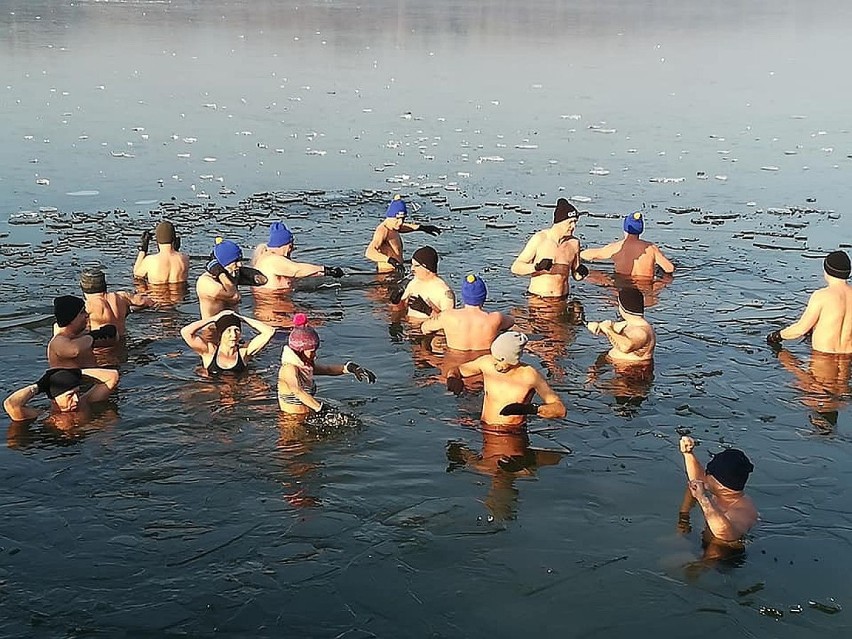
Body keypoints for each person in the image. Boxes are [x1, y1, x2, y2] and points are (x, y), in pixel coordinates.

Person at [446, 331, 566, 427]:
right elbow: (457, 370)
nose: (495, 364)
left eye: (501, 360)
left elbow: (560, 409)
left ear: (513, 360)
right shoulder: (486, 362)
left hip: (511, 433)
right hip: (485, 427)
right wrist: (452, 378)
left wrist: (530, 409)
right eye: (495, 358)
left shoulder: (530, 376)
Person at [278, 313, 376, 415]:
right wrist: (320, 408)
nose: (315, 355)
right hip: (291, 422)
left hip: (308, 417)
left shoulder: (305, 367)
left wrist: (350, 368)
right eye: (312, 352)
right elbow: (297, 391)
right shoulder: (288, 368)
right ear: (301, 350)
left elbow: (328, 369)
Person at [767, 250, 852, 354]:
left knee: (785, 359)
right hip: (847, 358)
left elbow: (800, 329)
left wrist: (776, 336)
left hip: (822, 357)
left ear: (826, 270)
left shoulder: (822, 296)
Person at [678, 436, 757, 542]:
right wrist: (688, 454)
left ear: (719, 483)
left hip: (724, 553)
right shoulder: (723, 493)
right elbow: (698, 480)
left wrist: (703, 499)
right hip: (705, 540)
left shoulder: (741, 511)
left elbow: (726, 534)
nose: (705, 476)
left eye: (708, 472)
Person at [511, 198, 589, 298]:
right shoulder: (540, 239)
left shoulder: (574, 243)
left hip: (563, 299)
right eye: (570, 222)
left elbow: (576, 275)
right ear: (559, 222)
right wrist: (536, 267)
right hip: (539, 300)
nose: (573, 226)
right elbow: (515, 267)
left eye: (575, 222)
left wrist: (582, 272)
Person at [421, 274, 514, 350]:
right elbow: (511, 322)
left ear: (463, 296)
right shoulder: (495, 318)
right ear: (484, 296)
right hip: (483, 365)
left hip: (453, 364)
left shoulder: (448, 316)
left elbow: (425, 328)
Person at [252, 222, 345, 291]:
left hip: (277, 299)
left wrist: (325, 273)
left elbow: (300, 272)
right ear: (288, 245)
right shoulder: (273, 260)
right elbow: (297, 270)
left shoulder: (267, 257)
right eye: (291, 246)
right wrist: (325, 269)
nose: (292, 250)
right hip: (273, 304)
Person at [180, 309, 276, 376]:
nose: (234, 335)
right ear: (221, 334)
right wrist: (214, 318)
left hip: (238, 393)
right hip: (214, 395)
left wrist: (242, 318)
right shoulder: (209, 352)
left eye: (237, 330)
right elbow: (185, 332)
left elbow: (270, 331)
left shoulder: (244, 353)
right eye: (228, 331)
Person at [580, 212, 674, 278]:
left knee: (593, 277)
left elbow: (592, 255)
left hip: (622, 283)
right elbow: (669, 268)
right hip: (646, 286)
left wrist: (579, 253)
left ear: (625, 228)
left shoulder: (617, 247)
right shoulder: (651, 248)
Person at [3, 367, 119, 421]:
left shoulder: (84, 403)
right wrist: (39, 386)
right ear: (54, 399)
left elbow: (112, 376)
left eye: (76, 393)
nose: (76, 399)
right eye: (70, 396)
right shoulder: (45, 416)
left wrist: (75, 372)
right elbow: (11, 405)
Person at [365, 195, 443, 273]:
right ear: (390, 216)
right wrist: (390, 260)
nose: (400, 222)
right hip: (386, 274)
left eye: (403, 219)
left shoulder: (394, 227)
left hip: (398, 270)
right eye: (397, 219)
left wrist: (423, 228)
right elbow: (369, 252)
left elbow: (405, 227)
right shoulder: (383, 231)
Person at [587, 287, 655, 364]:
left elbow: (625, 347)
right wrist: (598, 327)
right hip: (618, 367)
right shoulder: (629, 324)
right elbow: (614, 331)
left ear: (623, 308)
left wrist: (608, 329)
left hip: (632, 372)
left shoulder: (641, 331)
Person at [81, 268, 154, 339]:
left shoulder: (87, 306)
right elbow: (149, 302)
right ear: (104, 285)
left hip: (101, 347)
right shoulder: (122, 297)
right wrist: (129, 311)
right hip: (123, 342)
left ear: (82, 287)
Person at [47, 295, 117, 368]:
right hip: (71, 377)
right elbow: (74, 351)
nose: (87, 315)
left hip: (87, 375)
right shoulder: (58, 341)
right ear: (71, 317)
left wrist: (103, 333)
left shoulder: (80, 336)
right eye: (82, 312)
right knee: (112, 376)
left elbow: (113, 339)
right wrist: (91, 337)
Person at [390, 246, 455, 320]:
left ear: (428, 268)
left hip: (429, 330)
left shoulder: (444, 292)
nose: (412, 269)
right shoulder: (414, 282)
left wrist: (428, 310)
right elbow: (400, 309)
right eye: (412, 265)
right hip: (408, 328)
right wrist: (396, 302)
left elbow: (449, 322)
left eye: (416, 266)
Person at [196, 239, 243, 318]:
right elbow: (234, 297)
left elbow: (262, 279)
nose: (240, 264)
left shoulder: (231, 274)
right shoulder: (205, 282)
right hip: (213, 329)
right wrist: (220, 273)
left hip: (234, 327)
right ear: (223, 263)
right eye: (236, 261)